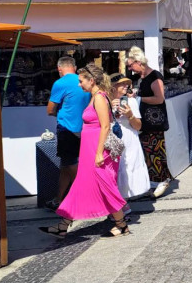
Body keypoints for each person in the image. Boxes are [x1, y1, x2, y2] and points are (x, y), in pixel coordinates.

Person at [39, 65, 130, 238]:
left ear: (92, 80)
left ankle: (122, 224)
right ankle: (63, 225)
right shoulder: (94, 96)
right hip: (90, 148)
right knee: (80, 185)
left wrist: (98, 153)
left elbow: (104, 126)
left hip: (97, 150)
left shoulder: (99, 98)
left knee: (105, 185)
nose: (79, 85)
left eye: (81, 81)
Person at [127, 47, 174, 199]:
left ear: (138, 62)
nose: (129, 68)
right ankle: (156, 180)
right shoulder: (144, 77)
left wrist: (139, 99)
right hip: (148, 120)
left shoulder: (155, 76)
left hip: (155, 121)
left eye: (130, 65)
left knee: (154, 150)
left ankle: (160, 180)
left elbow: (159, 99)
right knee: (151, 150)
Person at [45, 56, 91, 210]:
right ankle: (59, 199)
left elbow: (50, 109)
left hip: (67, 129)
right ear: (75, 67)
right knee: (66, 165)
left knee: (71, 163)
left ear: (59, 69)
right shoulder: (85, 81)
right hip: (85, 128)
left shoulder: (60, 83)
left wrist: (59, 113)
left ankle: (86, 197)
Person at [110, 74, 150, 207]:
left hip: (129, 140)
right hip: (113, 140)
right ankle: (118, 204)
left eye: (126, 83)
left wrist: (130, 115)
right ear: (113, 87)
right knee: (114, 171)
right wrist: (109, 107)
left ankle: (122, 203)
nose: (126, 86)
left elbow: (138, 126)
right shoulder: (105, 101)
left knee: (128, 168)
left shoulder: (131, 101)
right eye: (122, 84)